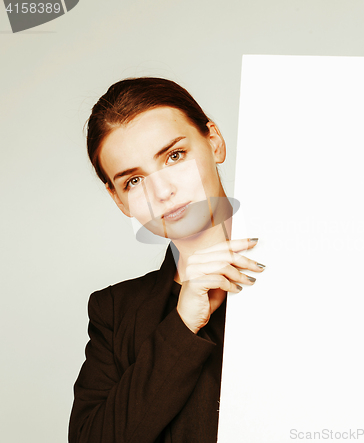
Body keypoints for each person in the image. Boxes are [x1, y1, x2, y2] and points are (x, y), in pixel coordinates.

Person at [69, 77, 265, 443]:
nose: (163, 192)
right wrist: (180, 326)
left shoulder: (309, 264)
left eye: (174, 156)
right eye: (133, 181)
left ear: (214, 141)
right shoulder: (115, 311)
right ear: (117, 199)